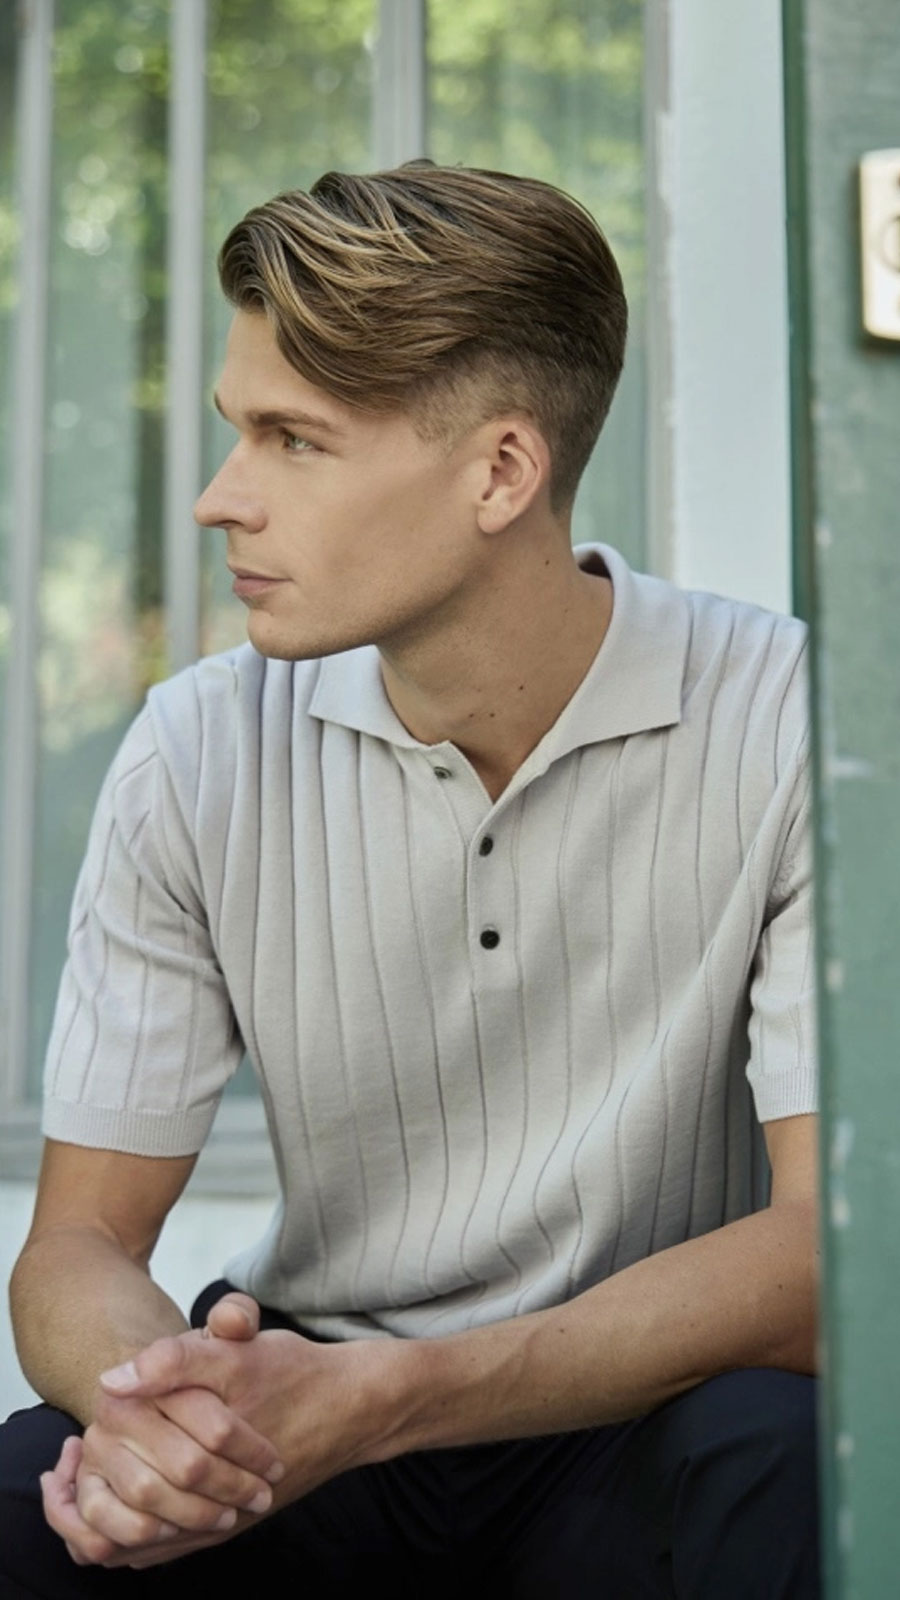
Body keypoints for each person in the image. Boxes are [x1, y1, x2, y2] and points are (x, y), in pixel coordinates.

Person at [1, 163, 819, 1598]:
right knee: (39, 1495)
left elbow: (826, 1255)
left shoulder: (795, 724)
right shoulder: (197, 750)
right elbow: (78, 1240)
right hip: (308, 1399)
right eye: (236, 431)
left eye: (292, 441)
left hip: (642, 1406)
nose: (218, 499)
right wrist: (162, 1416)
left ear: (501, 473)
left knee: (787, 1462)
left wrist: (395, 1399)